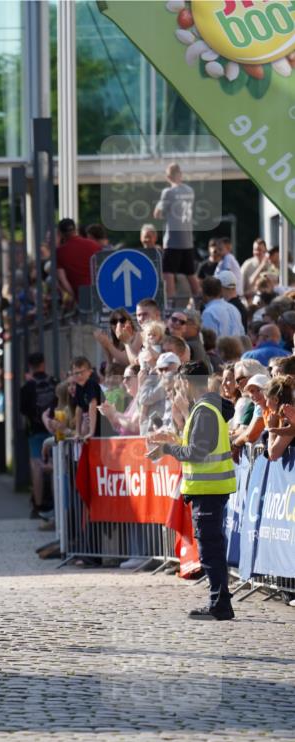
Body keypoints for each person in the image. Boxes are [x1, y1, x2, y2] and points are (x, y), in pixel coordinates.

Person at [148, 361, 236, 620]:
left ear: (186, 382)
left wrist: (168, 449)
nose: (179, 388)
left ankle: (219, 604)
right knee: (212, 547)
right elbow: (199, 447)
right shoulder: (208, 407)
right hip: (210, 489)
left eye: (180, 383)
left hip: (208, 489)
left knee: (210, 549)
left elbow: (196, 453)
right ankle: (220, 601)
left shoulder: (205, 410)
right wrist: (175, 442)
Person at [153, 162, 200, 302]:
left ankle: (170, 304)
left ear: (168, 177)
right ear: (180, 174)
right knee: (190, 274)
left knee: (168, 273)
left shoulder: (168, 192)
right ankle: (201, 301)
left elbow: (157, 214)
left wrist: (160, 206)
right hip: (187, 239)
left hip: (173, 239)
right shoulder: (190, 191)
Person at [19, 352, 57, 514]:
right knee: (55, 465)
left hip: (35, 432)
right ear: (43, 364)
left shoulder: (27, 387)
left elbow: (23, 410)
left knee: (37, 466)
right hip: (54, 429)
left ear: (30, 366)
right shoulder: (53, 382)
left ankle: (38, 506)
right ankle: (56, 506)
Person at [55, 218, 102, 306]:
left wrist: (75, 296)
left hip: (81, 295)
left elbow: (62, 279)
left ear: (60, 233)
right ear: (75, 229)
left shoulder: (59, 252)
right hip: (99, 292)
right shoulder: (94, 245)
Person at [70, 357, 102, 440]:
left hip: (102, 426)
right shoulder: (79, 386)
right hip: (92, 425)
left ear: (89, 372)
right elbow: (79, 408)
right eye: (76, 373)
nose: (79, 376)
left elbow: (93, 406)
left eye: (82, 372)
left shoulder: (91, 384)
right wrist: (78, 432)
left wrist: (91, 432)